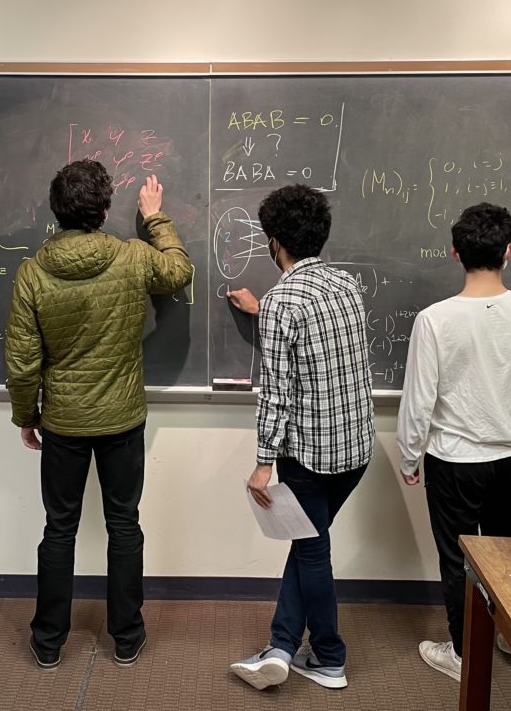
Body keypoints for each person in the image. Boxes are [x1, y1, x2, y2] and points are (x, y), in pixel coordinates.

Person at [5, 161, 193, 671]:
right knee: (124, 525)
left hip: (63, 422)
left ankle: (48, 642)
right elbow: (179, 270)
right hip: (122, 419)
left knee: (59, 529)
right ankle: (127, 637)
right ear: (106, 209)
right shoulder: (133, 259)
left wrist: (27, 415)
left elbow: (22, 363)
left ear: (56, 212)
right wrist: (156, 219)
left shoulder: (33, 272)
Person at [224, 184, 374, 692]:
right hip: (355, 450)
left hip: (309, 456)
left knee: (311, 551)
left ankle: (329, 657)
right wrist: (261, 313)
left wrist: (264, 461)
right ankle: (283, 646)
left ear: (273, 243)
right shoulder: (345, 285)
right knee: (309, 543)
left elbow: (276, 393)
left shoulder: (283, 302)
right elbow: (315, 341)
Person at [395, 203, 511, 681]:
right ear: (510, 251)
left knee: (457, 558)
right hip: (507, 453)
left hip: (453, 457)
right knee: (504, 550)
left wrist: (408, 453)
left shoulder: (435, 319)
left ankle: (463, 655)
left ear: (455, 252)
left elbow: (420, 397)